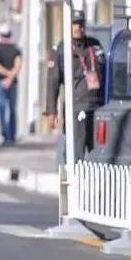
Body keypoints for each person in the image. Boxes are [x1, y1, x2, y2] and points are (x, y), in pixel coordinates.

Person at [44, 10, 105, 161]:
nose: (78, 28)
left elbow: (106, 72)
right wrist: (51, 111)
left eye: (81, 24)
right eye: (74, 24)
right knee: (75, 151)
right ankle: (73, 180)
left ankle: (93, 182)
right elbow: (53, 80)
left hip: (97, 105)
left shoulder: (95, 45)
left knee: (97, 153)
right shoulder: (62, 49)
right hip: (76, 106)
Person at [0, 24, 23, 146]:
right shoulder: (16, 49)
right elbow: (18, 65)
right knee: (12, 109)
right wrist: (10, 77)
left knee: (2, 109)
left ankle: (5, 135)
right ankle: (12, 135)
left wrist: (6, 75)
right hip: (12, 82)